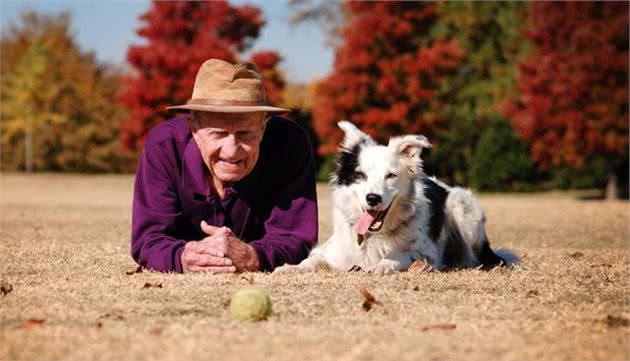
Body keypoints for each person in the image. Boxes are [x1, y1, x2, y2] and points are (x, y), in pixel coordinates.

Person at [130, 58, 318, 273]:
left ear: (263, 127)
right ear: (195, 130)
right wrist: (182, 257)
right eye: (218, 134)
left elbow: (297, 239)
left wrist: (253, 256)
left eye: (245, 134)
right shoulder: (163, 146)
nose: (231, 150)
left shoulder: (290, 144)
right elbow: (148, 240)